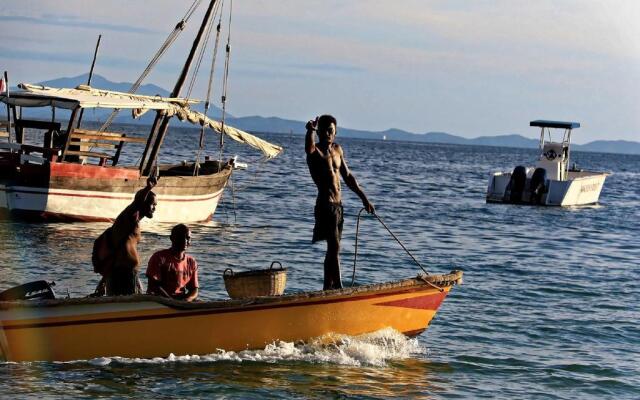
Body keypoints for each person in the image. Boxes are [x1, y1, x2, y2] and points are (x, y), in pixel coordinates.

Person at [305, 114, 375, 290]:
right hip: (325, 205)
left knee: (333, 249)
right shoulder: (316, 152)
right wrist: (309, 131)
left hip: (338, 207)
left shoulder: (337, 150)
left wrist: (364, 198)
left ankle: (327, 287)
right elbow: (309, 148)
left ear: (335, 133)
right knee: (334, 247)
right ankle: (338, 286)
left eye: (331, 131)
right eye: (325, 130)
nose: (328, 134)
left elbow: (348, 176)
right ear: (319, 131)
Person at [96, 177, 157, 296]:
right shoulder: (130, 217)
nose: (154, 208)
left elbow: (117, 250)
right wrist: (148, 189)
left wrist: (103, 280)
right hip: (122, 275)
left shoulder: (135, 223)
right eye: (152, 204)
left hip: (126, 273)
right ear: (144, 203)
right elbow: (137, 201)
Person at [146, 224, 199, 302]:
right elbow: (153, 286)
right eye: (180, 237)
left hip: (181, 300)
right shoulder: (159, 257)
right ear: (171, 238)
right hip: (159, 301)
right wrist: (171, 301)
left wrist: (188, 299)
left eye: (188, 238)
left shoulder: (191, 262)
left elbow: (194, 289)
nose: (185, 241)